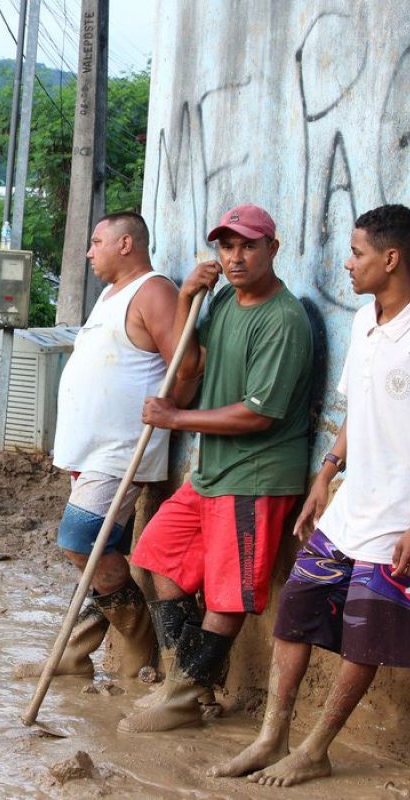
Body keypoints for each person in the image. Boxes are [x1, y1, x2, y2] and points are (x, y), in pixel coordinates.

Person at [208, 204, 410, 786]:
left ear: (390, 258)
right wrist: (327, 473)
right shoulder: (364, 321)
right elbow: (357, 409)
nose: (347, 264)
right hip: (349, 508)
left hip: (397, 520)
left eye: (357, 253)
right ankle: (273, 736)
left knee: (363, 639)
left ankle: (317, 748)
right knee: (294, 613)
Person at [117, 203, 314, 733]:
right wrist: (186, 297)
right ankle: (192, 679)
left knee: (228, 592)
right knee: (159, 556)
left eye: (248, 245)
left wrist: (176, 416)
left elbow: (258, 413)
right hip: (211, 474)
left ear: (273, 248)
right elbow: (191, 357)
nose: (235, 256)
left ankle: (183, 695)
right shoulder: (224, 298)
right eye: (227, 247)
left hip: (255, 475)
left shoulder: (284, 319)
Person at [14, 212, 178, 680]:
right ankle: (75, 652)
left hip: (120, 450)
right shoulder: (111, 294)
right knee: (96, 548)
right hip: (91, 452)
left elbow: (186, 365)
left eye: (96, 241)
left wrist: (172, 414)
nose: (89, 252)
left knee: (80, 542)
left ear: (126, 243)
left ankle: (142, 645)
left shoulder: (153, 290)